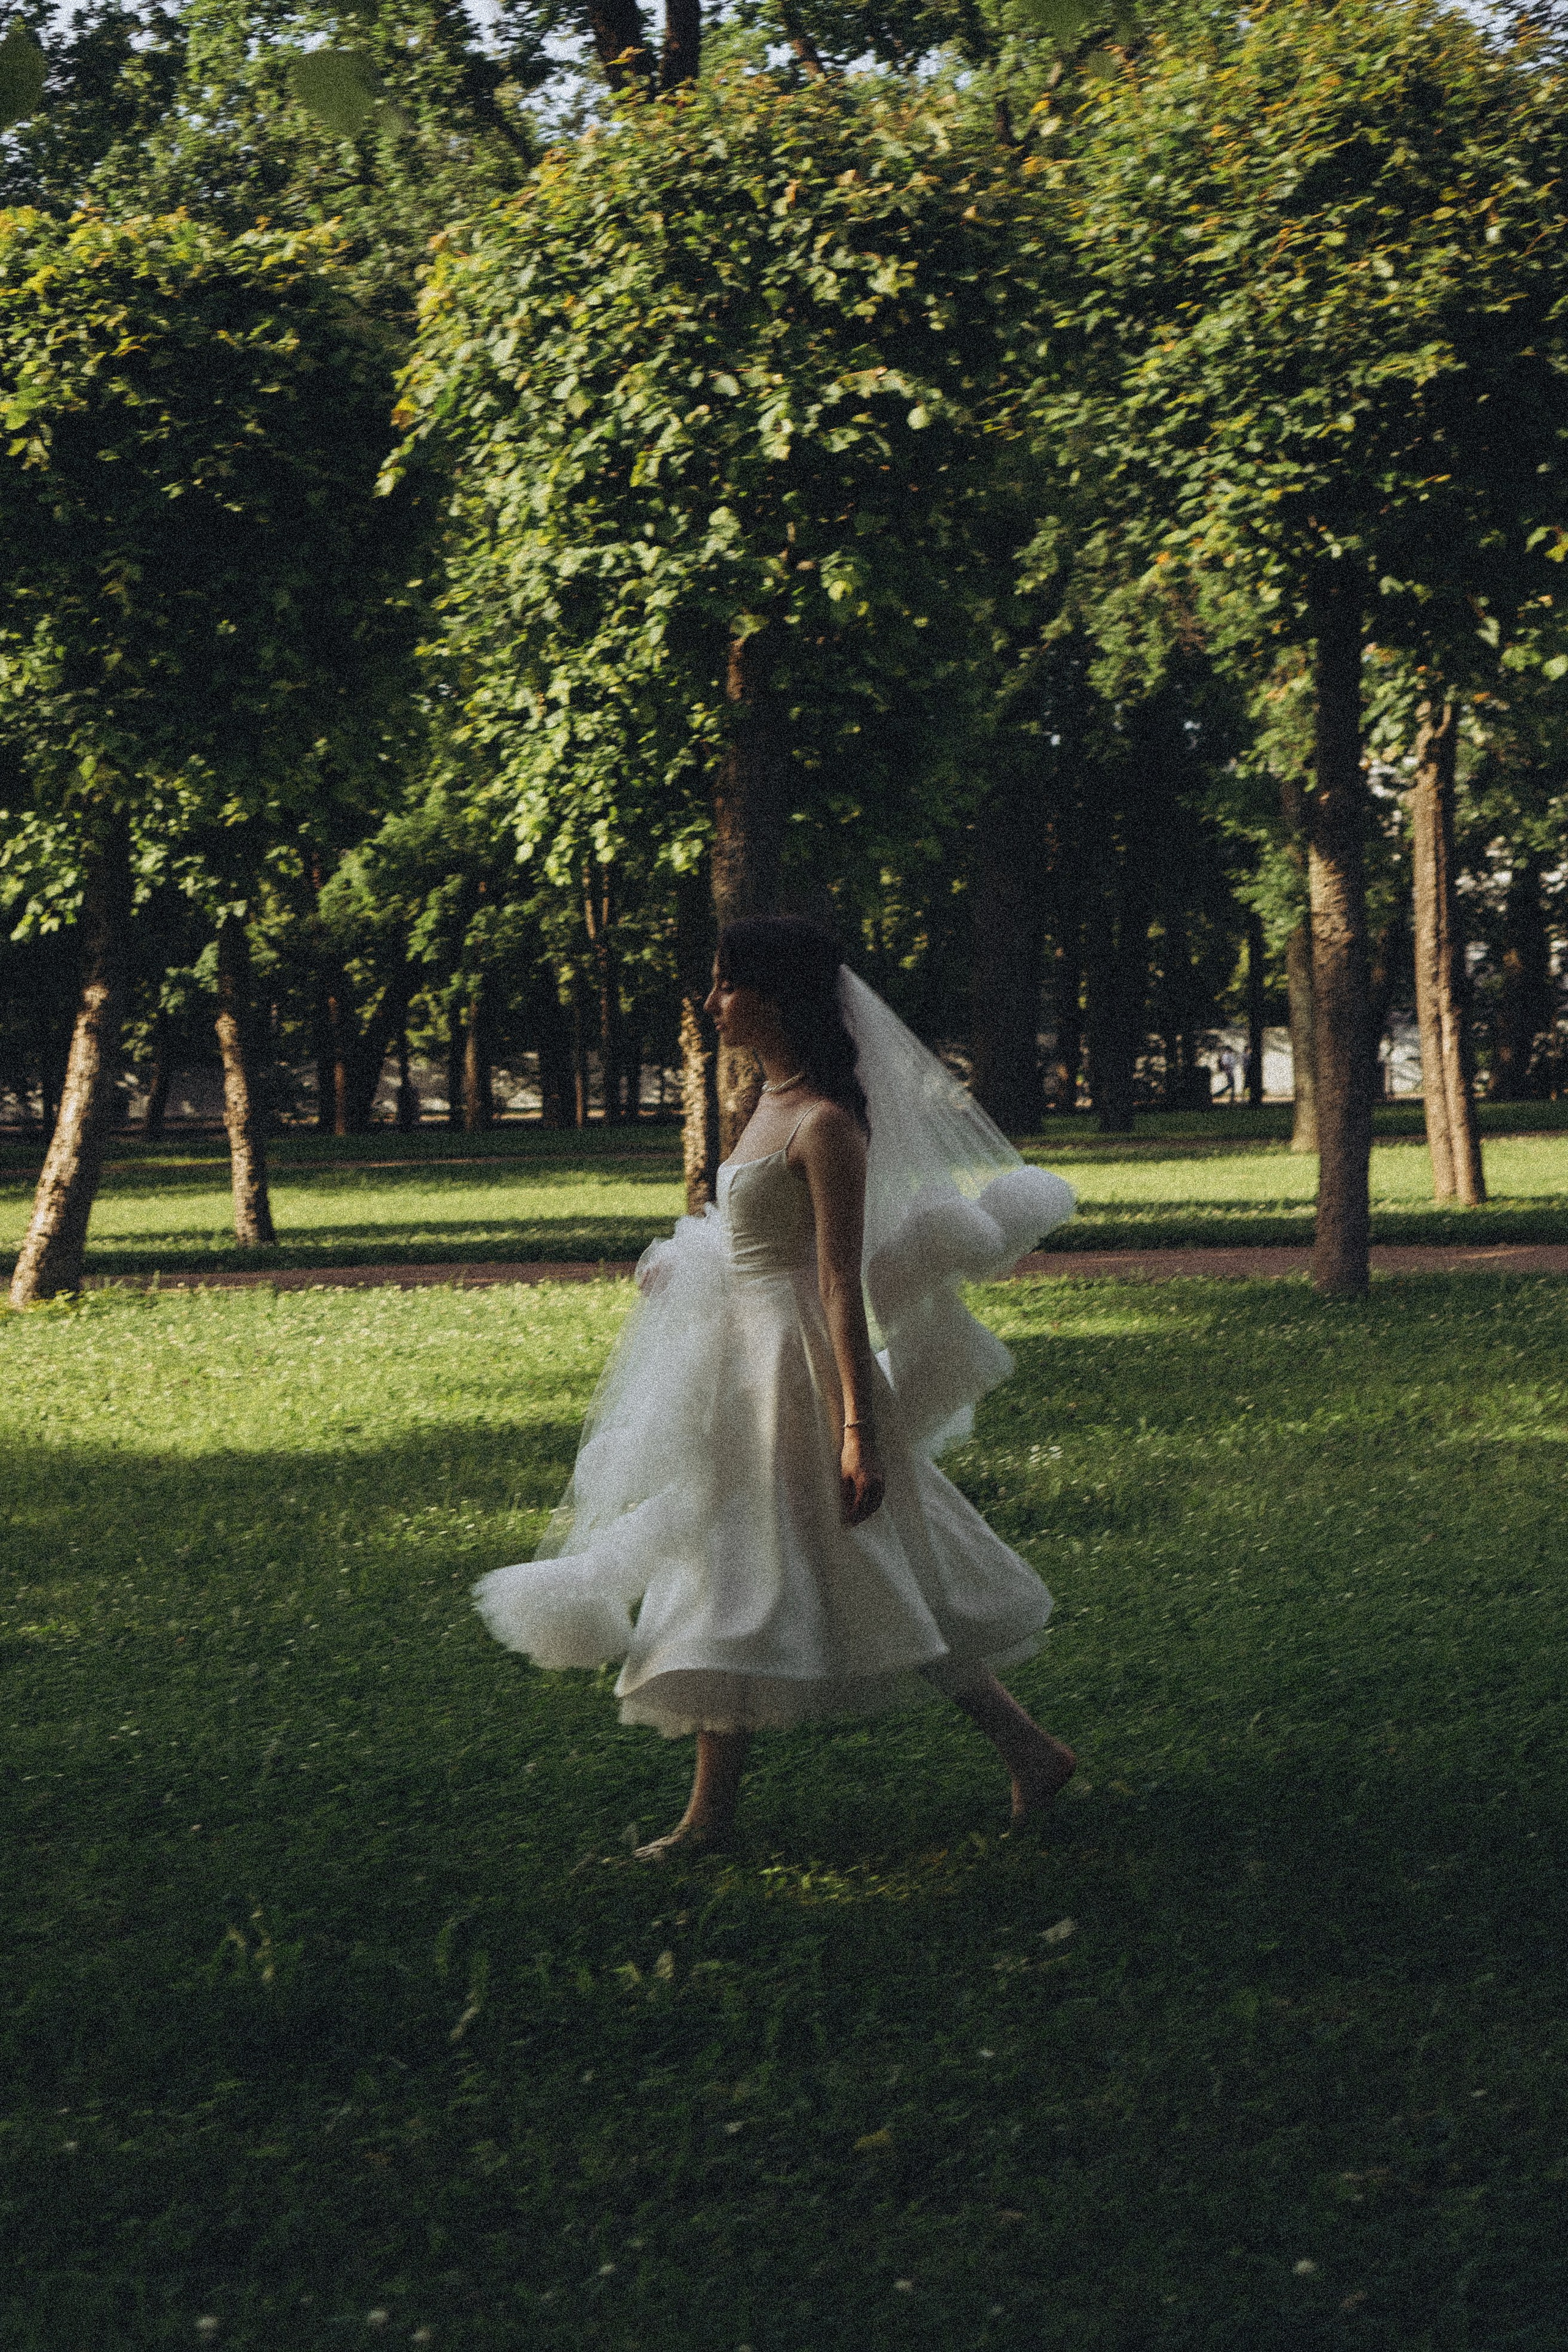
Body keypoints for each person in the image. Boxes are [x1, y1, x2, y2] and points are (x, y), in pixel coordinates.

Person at [474, 916, 1079, 1860]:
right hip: (735, 1364)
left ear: (776, 996)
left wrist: (857, 1427)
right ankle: (1018, 1753)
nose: (711, 1003)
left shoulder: (828, 1125)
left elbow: (838, 1281)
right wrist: (689, 1264)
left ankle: (1013, 1753)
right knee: (759, 1563)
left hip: (791, 1372)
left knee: (812, 1565)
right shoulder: (764, 1102)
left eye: (725, 985)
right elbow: (747, 1233)